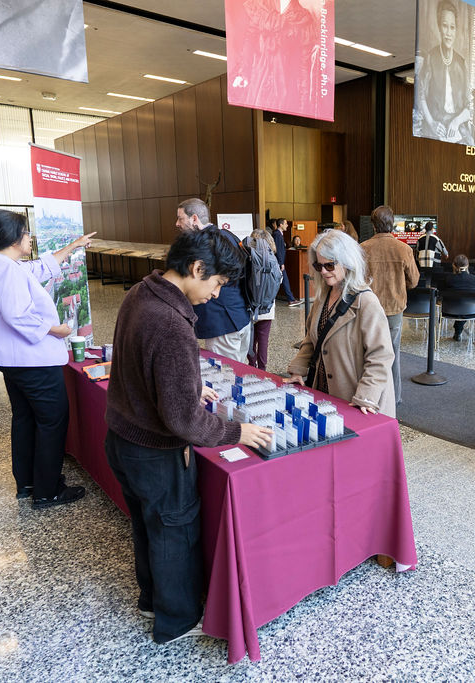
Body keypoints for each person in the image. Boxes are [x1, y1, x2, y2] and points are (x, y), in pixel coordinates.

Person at [105, 226, 272, 644]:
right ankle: (177, 620)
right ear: (197, 268)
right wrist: (238, 431)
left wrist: (185, 383)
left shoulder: (141, 293)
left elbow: (138, 363)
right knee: (173, 532)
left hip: (122, 438)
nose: (216, 294)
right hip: (154, 450)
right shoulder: (173, 321)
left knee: (147, 526)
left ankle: (151, 598)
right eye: (216, 283)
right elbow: (184, 422)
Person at [0, 210, 93, 508]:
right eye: (25, 233)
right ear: (13, 238)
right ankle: (48, 490)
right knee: (52, 420)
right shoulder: (6, 269)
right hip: (30, 360)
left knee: (25, 417)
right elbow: (18, 316)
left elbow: (37, 269)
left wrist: (72, 247)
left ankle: (27, 481)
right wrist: (57, 330)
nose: (29, 238)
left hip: (12, 359)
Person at [287, 230, 396, 416]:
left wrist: (365, 396)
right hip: (324, 392)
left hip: (355, 399)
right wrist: (298, 370)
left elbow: (381, 356)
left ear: (347, 261)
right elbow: (311, 340)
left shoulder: (366, 303)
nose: (322, 271)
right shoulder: (323, 297)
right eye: (318, 265)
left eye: (329, 265)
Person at [174, 198, 252, 363]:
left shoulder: (204, 243)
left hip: (221, 323)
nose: (177, 224)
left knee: (226, 377)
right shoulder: (226, 235)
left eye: (180, 218)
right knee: (239, 373)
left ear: (194, 218)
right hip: (240, 316)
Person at [361, 204, 420, 405]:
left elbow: (357, 281)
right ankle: (394, 398)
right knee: (392, 353)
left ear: (373, 225)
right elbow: (414, 281)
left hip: (369, 309)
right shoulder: (404, 249)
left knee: (368, 352)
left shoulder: (363, 248)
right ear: (392, 224)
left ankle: (369, 395)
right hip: (394, 309)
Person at [415, 0, 473, 145]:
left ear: (456, 30)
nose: (448, 32)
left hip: (458, 125)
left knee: (470, 144)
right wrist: (431, 122)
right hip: (436, 125)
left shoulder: (461, 63)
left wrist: (455, 122)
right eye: (445, 26)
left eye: (452, 27)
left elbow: (469, 106)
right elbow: (421, 95)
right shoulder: (431, 57)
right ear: (439, 28)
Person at [244, 228, 277, 370]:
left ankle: (252, 367)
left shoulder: (249, 257)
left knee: (251, 342)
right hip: (268, 308)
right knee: (264, 341)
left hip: (250, 307)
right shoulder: (272, 258)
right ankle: (263, 369)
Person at [445, 253, 475, 340]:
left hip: (449, 311)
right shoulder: (474, 279)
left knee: (459, 304)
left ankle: (458, 329)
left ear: (453, 265)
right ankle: (458, 329)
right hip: (470, 312)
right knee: (465, 304)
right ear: (467, 265)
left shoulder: (448, 278)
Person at [272, 218, 303, 306]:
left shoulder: (279, 234)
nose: (287, 225)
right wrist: (281, 263)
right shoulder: (277, 234)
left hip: (279, 262)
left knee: (283, 280)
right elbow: (278, 250)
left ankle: (291, 299)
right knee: (283, 280)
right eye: (285, 224)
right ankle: (291, 299)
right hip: (278, 262)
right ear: (280, 225)